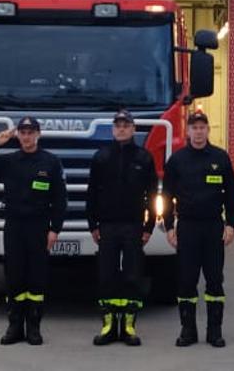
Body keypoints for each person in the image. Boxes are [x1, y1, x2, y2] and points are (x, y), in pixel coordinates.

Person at [0, 117, 67, 347]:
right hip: (14, 226)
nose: (26, 136)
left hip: (39, 227)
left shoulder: (51, 162)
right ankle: (14, 326)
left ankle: (33, 327)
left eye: (31, 132)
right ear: (18, 136)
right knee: (14, 278)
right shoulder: (9, 161)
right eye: (22, 132)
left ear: (38, 135)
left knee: (36, 279)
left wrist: (55, 229)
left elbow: (60, 199)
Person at [163, 109, 234, 348]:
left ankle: (214, 332)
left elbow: (232, 196)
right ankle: (188, 331)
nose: (198, 131)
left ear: (208, 130)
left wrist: (230, 224)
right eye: (194, 127)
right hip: (187, 227)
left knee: (215, 280)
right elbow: (166, 196)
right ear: (188, 131)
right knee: (186, 281)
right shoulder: (177, 160)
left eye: (202, 127)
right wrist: (168, 226)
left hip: (213, 227)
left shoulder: (220, 158)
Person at [88, 109, 159, 346]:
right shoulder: (101, 157)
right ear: (112, 129)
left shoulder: (144, 158)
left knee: (132, 276)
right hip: (107, 226)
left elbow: (152, 195)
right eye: (118, 125)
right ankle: (108, 326)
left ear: (133, 129)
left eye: (126, 125)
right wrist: (92, 225)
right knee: (106, 276)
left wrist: (148, 227)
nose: (121, 129)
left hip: (133, 226)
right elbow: (92, 194)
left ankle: (128, 327)